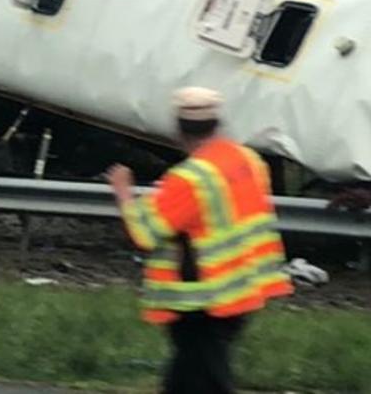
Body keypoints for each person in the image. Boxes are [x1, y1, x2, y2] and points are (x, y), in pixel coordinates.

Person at [106, 87, 293, 394]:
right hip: (242, 288)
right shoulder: (247, 159)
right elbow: (225, 208)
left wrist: (124, 193)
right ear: (217, 123)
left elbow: (146, 233)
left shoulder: (189, 179)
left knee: (205, 381)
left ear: (178, 129)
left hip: (201, 299)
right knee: (187, 380)